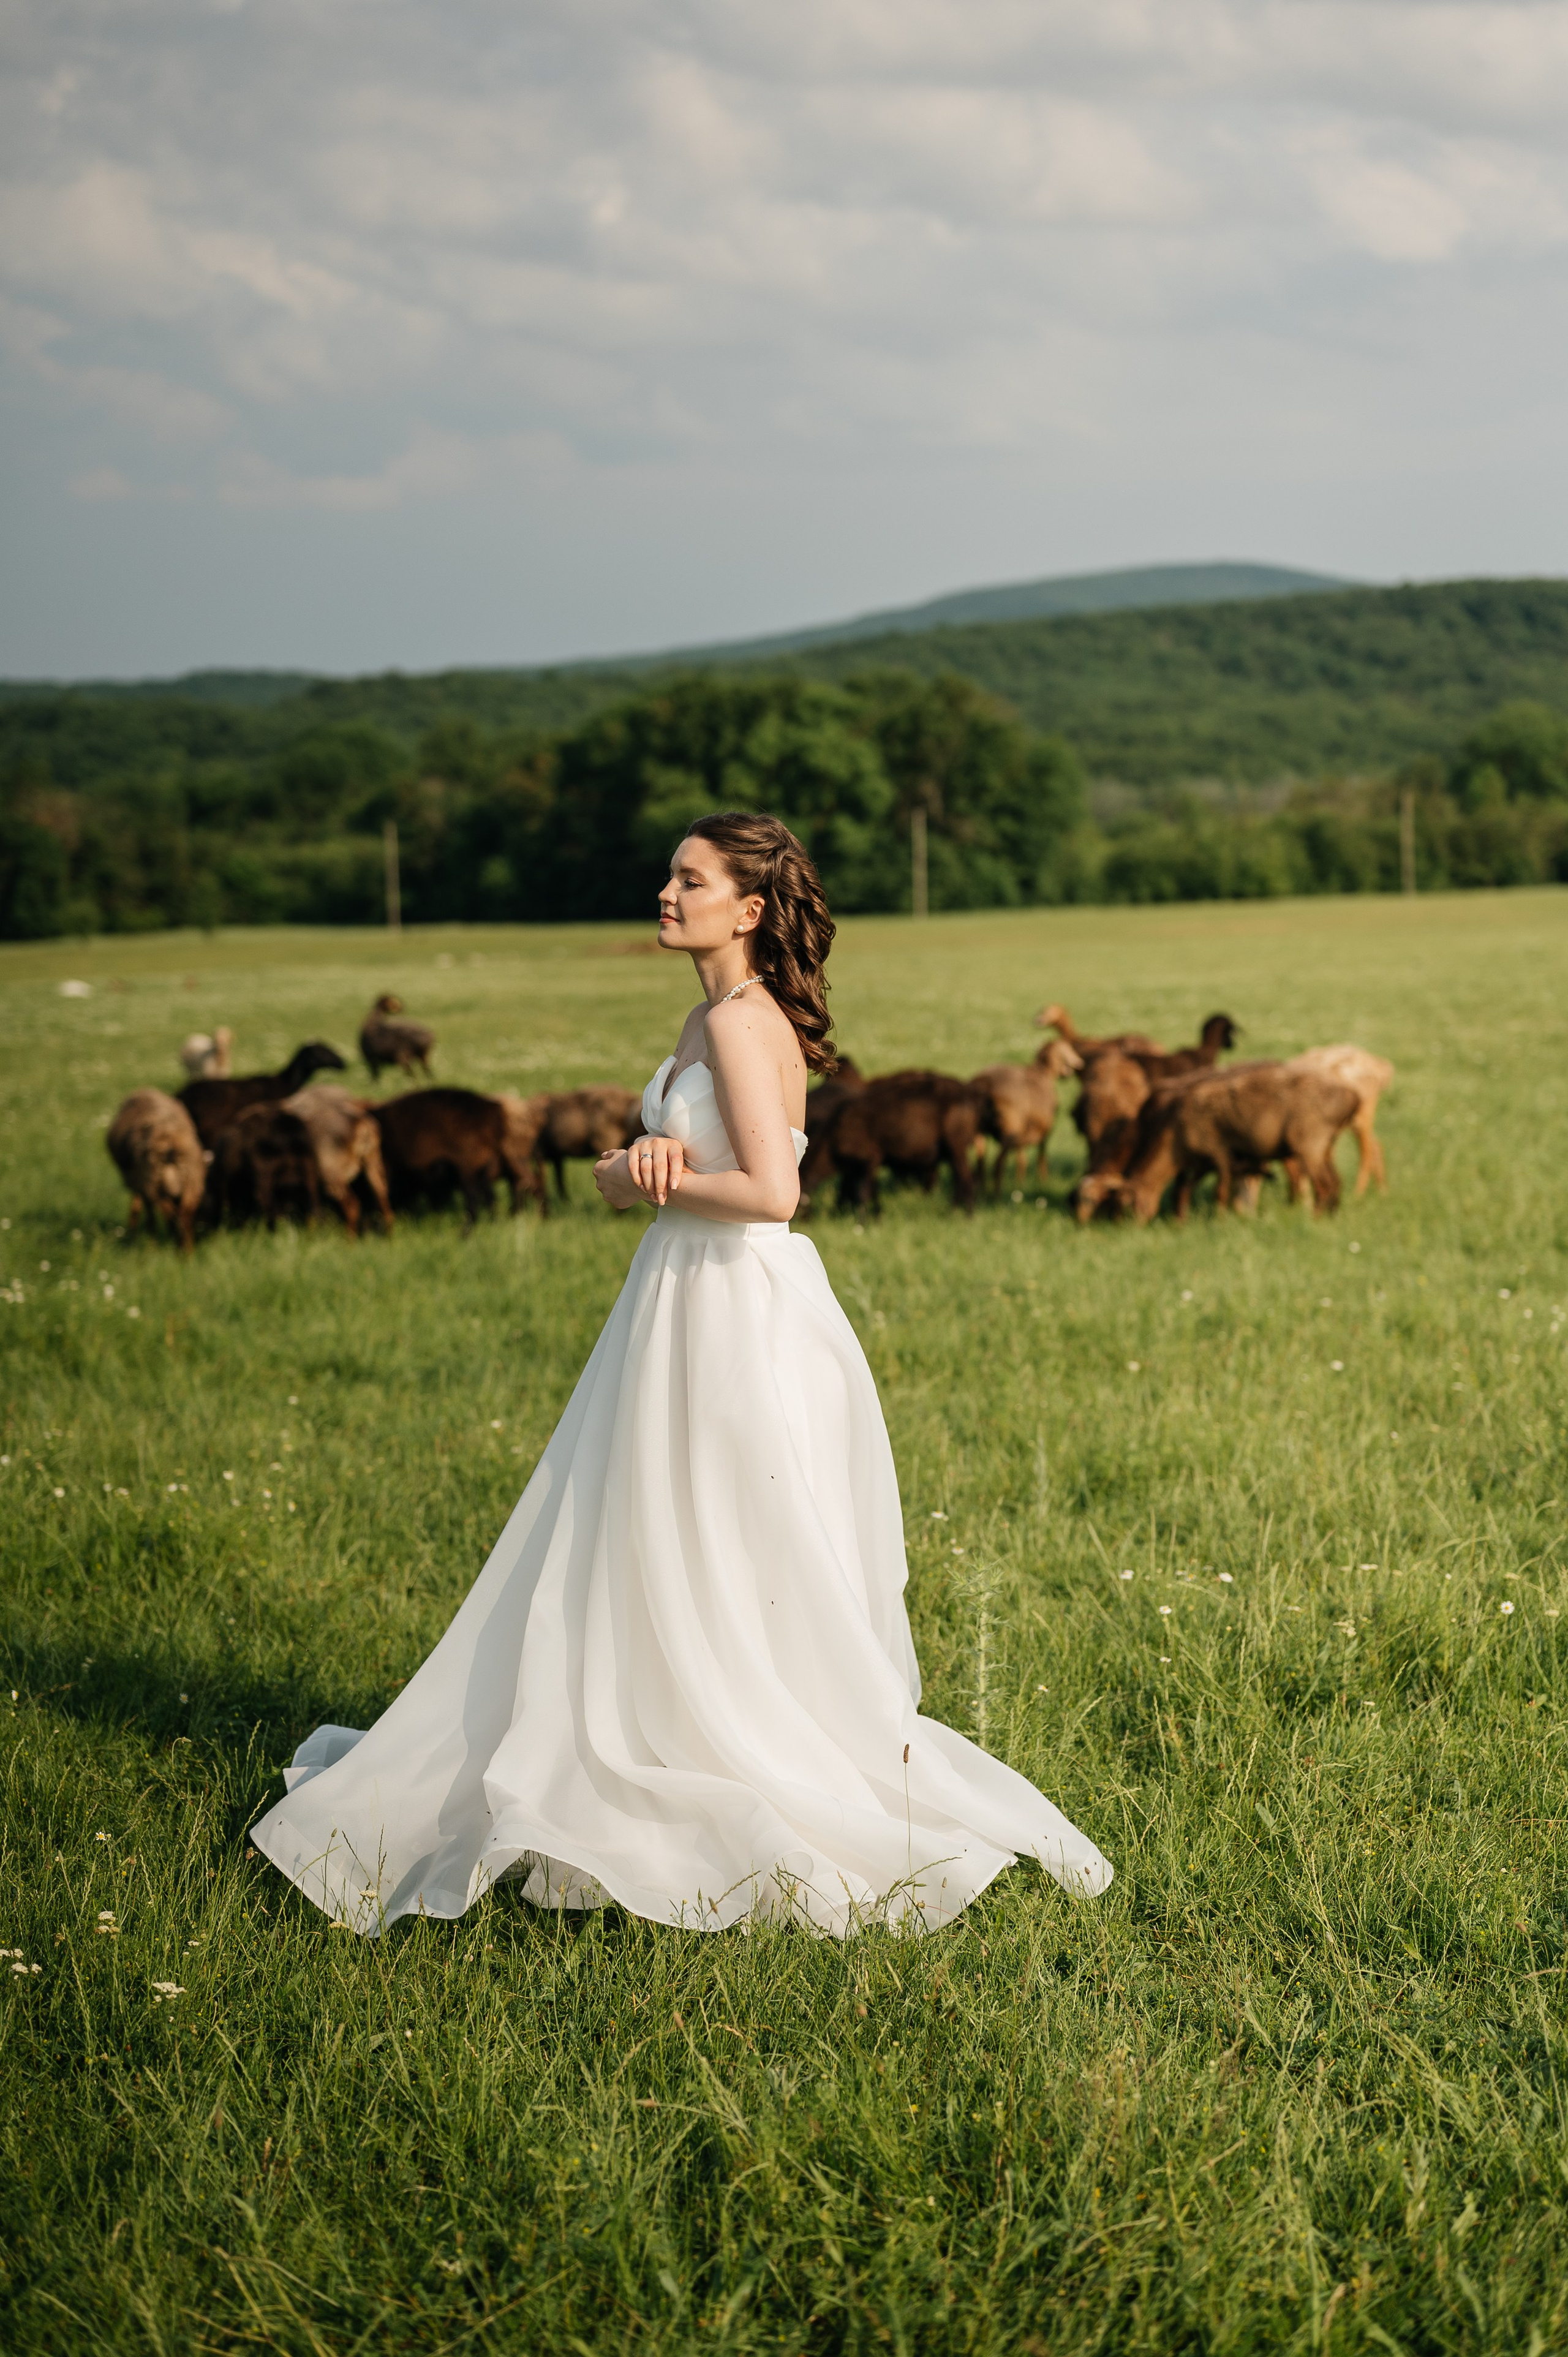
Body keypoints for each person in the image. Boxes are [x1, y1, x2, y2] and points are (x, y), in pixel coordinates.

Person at [251, 813, 1112, 1934]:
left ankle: (737, 1751)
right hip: (674, 1296)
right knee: (645, 1529)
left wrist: (649, 1176)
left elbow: (772, 1193)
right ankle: (644, 1721)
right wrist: (628, 1171)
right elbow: (656, 1172)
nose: (666, 892)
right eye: (669, 874)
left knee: (723, 1531)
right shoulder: (705, 1016)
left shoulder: (750, 1026)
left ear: (749, 909)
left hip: (734, 1303)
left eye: (690, 879)